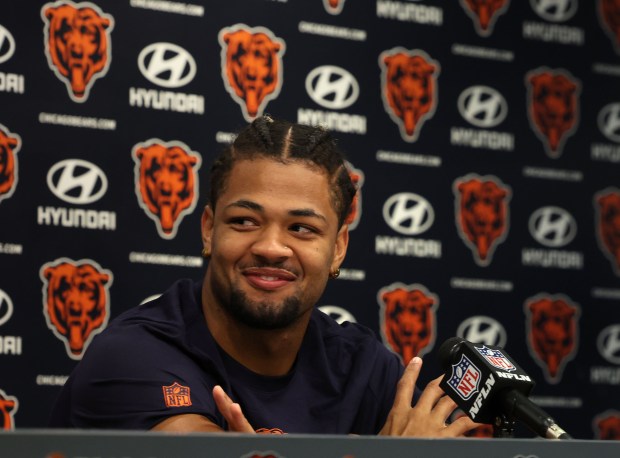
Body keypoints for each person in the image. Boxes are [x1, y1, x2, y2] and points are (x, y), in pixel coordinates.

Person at [49, 116, 477, 437]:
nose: (272, 247)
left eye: (302, 228)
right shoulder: (133, 357)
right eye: (245, 221)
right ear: (207, 230)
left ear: (339, 248)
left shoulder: (361, 368)